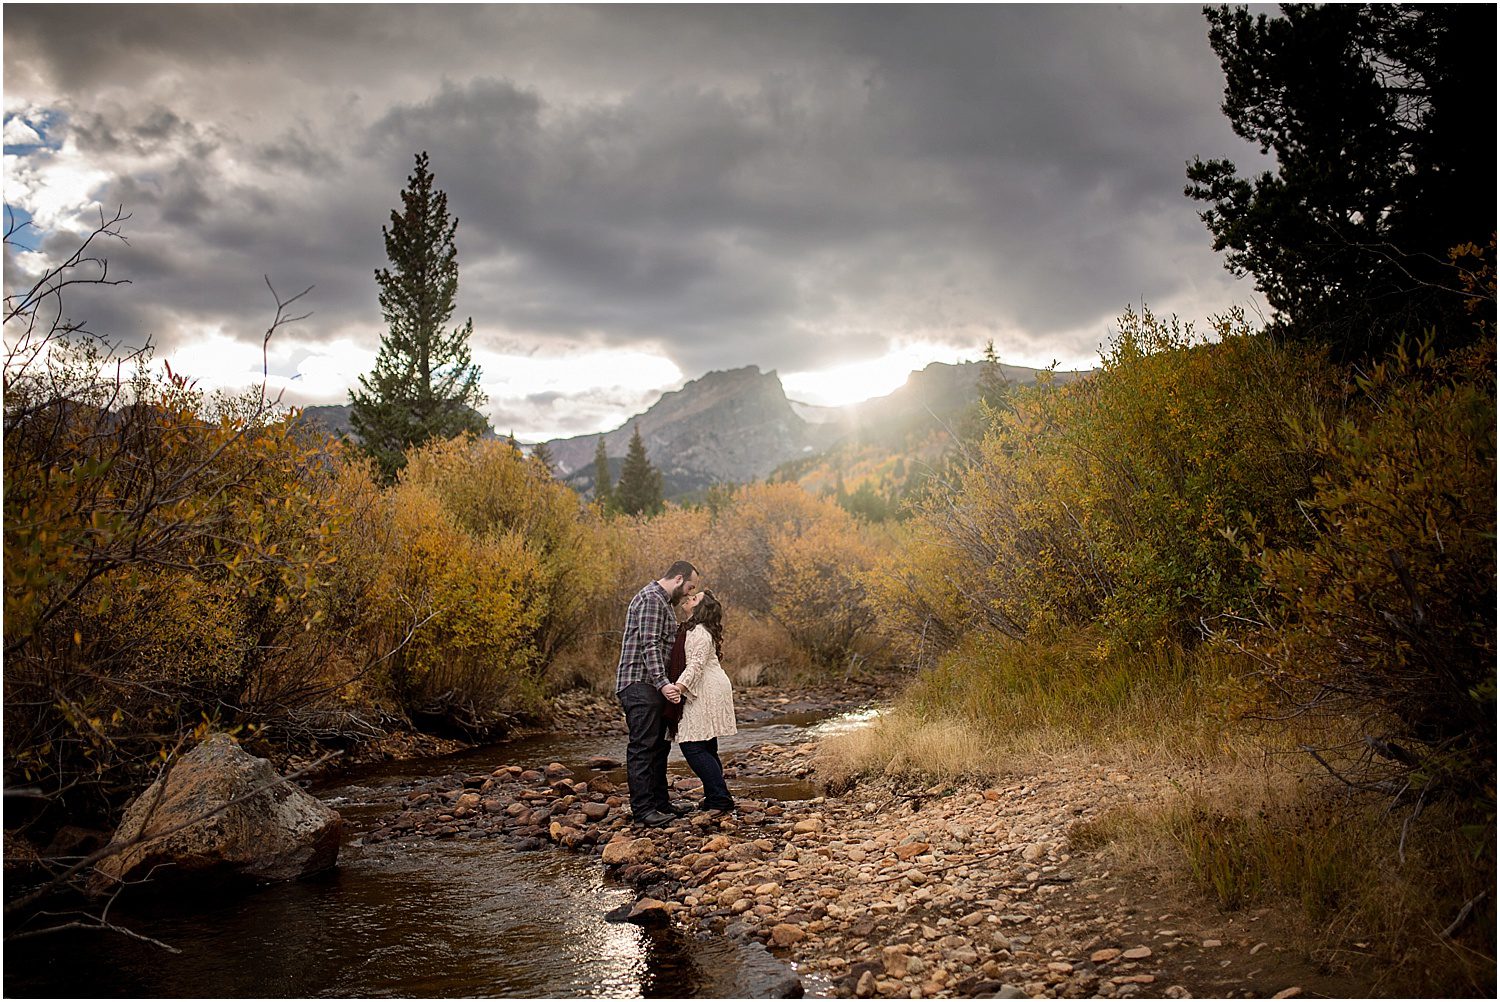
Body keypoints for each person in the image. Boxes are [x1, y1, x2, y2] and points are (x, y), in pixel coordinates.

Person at [616, 560, 700, 827]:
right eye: (689, 587)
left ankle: (661, 804)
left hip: (652, 686)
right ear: (678, 579)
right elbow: (649, 645)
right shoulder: (652, 599)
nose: (689, 593)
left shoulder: (663, 603)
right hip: (640, 685)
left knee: (660, 747)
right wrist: (664, 683)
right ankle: (643, 811)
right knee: (643, 748)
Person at [673, 589, 736, 813]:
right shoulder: (694, 629)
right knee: (706, 744)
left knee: (692, 744)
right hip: (709, 686)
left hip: (706, 689)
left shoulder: (699, 632)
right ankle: (714, 796)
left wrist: (678, 688)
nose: (689, 599)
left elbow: (696, 665)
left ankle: (720, 798)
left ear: (700, 608)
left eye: (694, 598)